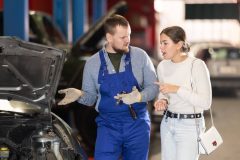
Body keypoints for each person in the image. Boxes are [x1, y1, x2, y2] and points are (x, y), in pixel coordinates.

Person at [58, 14, 158, 160]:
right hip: (108, 126)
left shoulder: (140, 57)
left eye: (129, 35)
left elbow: (153, 87)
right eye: (122, 37)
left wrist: (139, 96)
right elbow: (91, 98)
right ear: (109, 38)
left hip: (137, 125)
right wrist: (79, 94)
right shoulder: (92, 63)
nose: (128, 40)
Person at [154, 26, 212, 160]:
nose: (161, 48)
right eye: (160, 43)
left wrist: (177, 89)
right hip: (167, 123)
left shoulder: (196, 65)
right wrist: (163, 100)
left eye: (165, 43)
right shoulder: (162, 66)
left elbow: (206, 102)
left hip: (190, 126)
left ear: (179, 44)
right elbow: (164, 91)